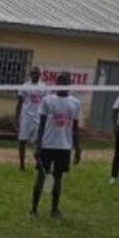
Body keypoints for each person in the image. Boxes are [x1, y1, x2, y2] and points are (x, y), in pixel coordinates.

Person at [32, 72, 82, 218]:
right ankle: (34, 208)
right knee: (41, 176)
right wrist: (38, 145)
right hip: (47, 145)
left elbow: (75, 127)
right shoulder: (47, 100)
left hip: (64, 146)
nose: (63, 83)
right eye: (60, 81)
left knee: (58, 178)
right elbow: (41, 124)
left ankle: (54, 208)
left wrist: (77, 148)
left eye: (66, 81)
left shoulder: (75, 103)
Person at [15, 67, 47, 171]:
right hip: (26, 117)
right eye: (33, 73)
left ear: (40, 75)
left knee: (39, 141)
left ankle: (38, 163)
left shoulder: (43, 87)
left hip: (38, 117)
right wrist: (16, 118)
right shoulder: (25, 86)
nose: (35, 75)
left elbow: (46, 103)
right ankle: (22, 164)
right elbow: (19, 103)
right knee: (22, 141)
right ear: (30, 74)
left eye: (37, 74)